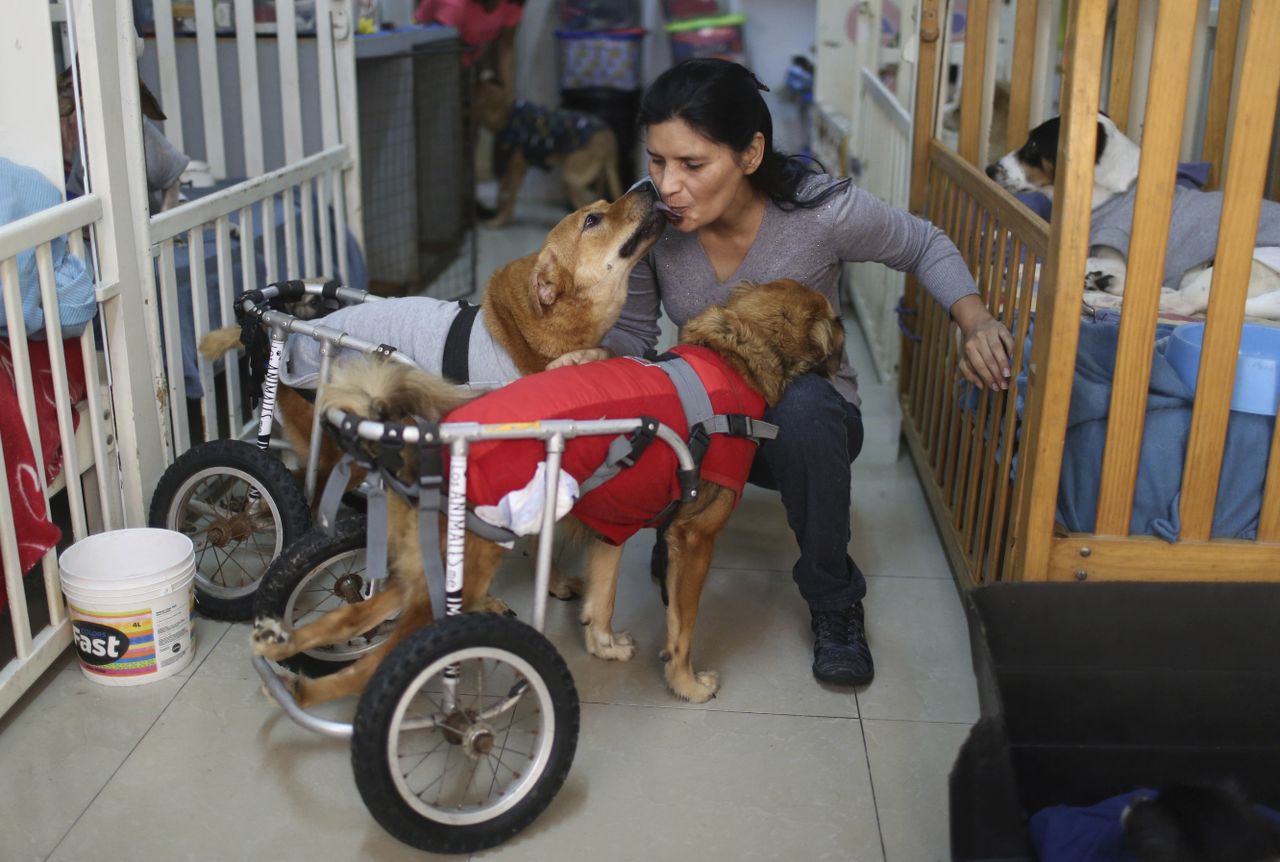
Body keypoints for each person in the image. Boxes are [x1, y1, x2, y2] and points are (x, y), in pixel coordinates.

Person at [548, 59, 1013, 688]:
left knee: (806, 411)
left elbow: (924, 243)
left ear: (749, 153)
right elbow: (634, 336)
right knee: (655, 396)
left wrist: (976, 319)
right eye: (657, 161)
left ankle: (835, 602)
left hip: (801, 423)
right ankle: (673, 527)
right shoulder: (655, 218)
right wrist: (595, 362)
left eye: (692, 164)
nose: (668, 185)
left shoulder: (820, 212)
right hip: (711, 418)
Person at [414, 0, 524, 90]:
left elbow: (505, 47)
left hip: (469, 57)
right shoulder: (454, 6)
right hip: (432, 59)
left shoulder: (512, 5)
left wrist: (508, 92)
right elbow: (444, 54)